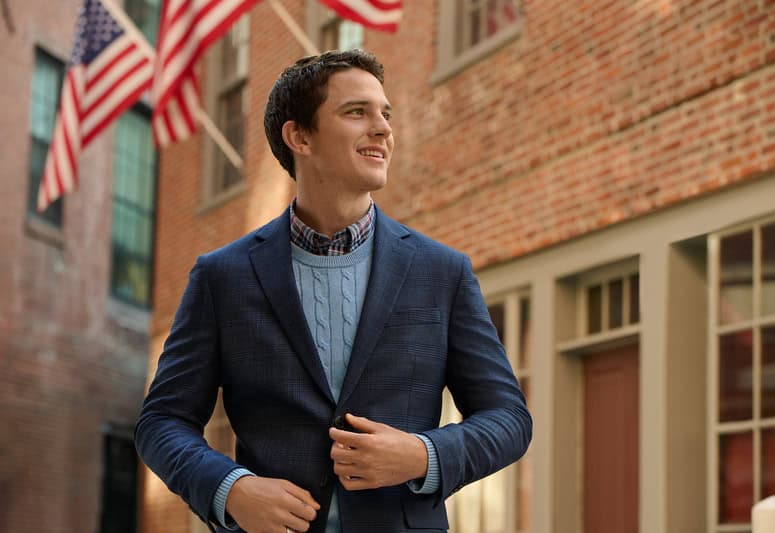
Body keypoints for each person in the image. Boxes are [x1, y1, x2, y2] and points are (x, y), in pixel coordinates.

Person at [135, 49, 532, 533]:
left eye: (385, 113)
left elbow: (509, 419)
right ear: (299, 136)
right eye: (357, 112)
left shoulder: (441, 272)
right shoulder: (223, 277)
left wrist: (422, 455)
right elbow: (161, 422)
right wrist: (230, 488)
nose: (383, 128)